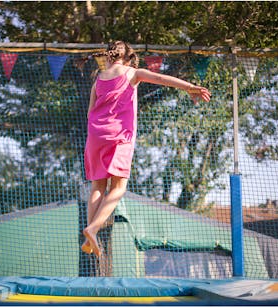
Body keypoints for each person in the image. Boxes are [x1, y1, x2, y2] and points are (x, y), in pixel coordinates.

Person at [78, 41, 211, 257]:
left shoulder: (98, 80)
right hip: (118, 136)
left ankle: (88, 238)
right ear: (129, 57)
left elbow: (89, 112)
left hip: (95, 135)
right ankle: (93, 228)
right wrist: (189, 87)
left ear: (110, 56)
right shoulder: (133, 73)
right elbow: (161, 79)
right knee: (119, 186)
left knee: (97, 186)